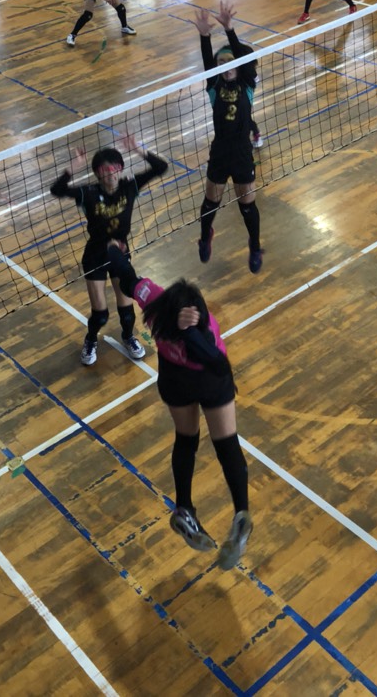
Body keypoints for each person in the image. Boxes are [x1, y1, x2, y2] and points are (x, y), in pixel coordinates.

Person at [104, 244, 252, 569]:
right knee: (226, 444)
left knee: (186, 439)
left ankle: (184, 508)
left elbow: (127, 278)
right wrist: (192, 331)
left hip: (174, 378)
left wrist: (111, 250)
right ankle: (241, 513)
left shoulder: (157, 301)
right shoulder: (206, 333)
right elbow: (216, 361)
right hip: (209, 378)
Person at [49, 135, 167, 366]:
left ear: (120, 169)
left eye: (114, 169)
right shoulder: (88, 193)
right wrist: (74, 166)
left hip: (120, 254)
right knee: (101, 314)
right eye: (105, 171)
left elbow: (161, 167)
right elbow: (57, 189)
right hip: (96, 256)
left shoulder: (130, 186)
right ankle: (91, 340)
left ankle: (128, 337)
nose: (111, 175)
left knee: (127, 309)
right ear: (97, 174)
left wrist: (138, 149)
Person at [192, 1, 263, 274]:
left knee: (247, 205)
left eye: (230, 61)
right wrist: (204, 36)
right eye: (220, 63)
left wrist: (229, 29)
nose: (225, 66)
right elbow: (208, 63)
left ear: (238, 64)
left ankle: (254, 245)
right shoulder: (214, 86)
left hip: (242, 152)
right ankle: (205, 236)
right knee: (211, 202)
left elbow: (241, 59)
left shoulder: (247, 85)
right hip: (220, 151)